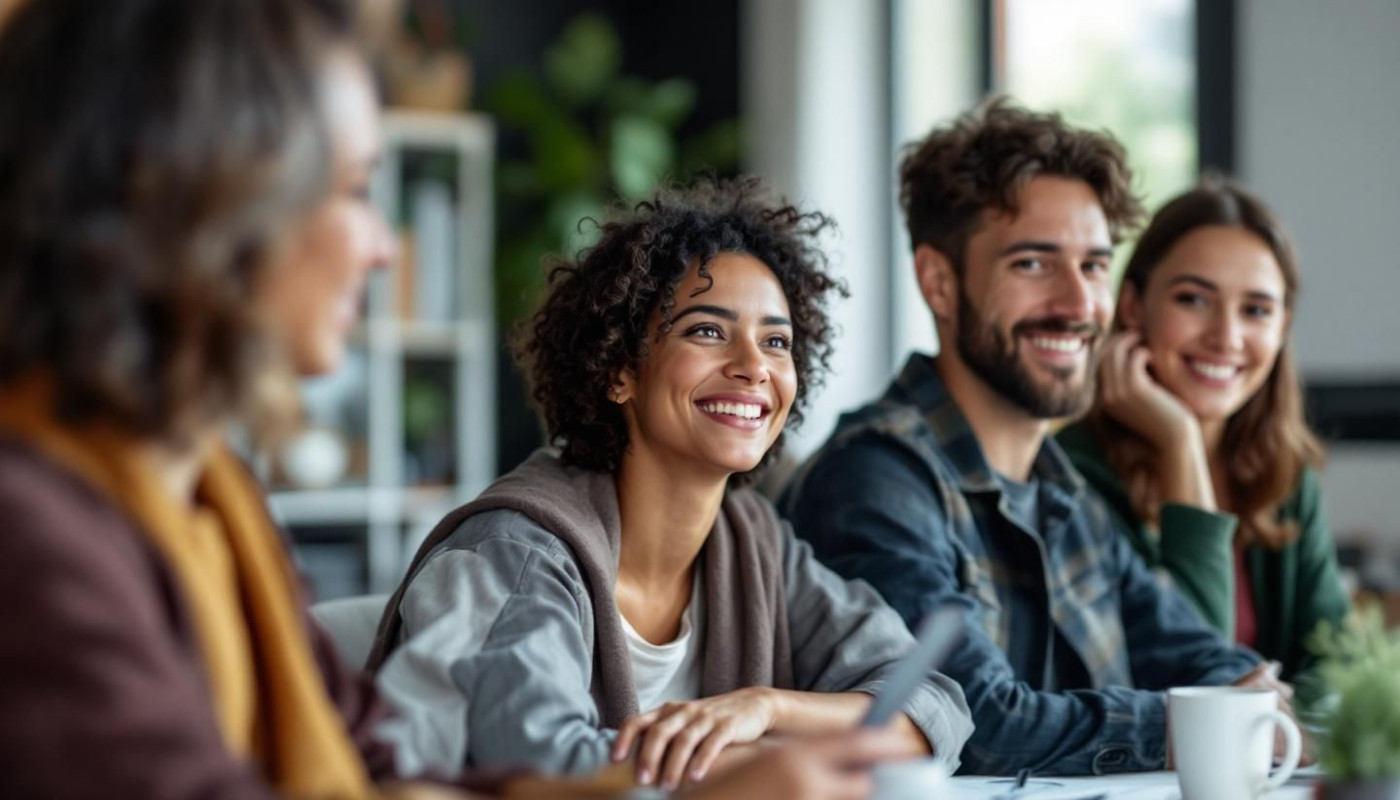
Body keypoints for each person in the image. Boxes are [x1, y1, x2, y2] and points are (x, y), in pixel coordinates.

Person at [0, 1, 913, 798]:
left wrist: (746, 733)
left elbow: (381, 763)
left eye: (778, 339)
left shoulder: (212, 497)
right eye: (356, 192)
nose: (385, 249)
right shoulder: (35, 534)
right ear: (206, 205)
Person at [368, 179, 974, 789]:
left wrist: (766, 708)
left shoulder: (754, 544)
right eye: (707, 331)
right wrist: (769, 771)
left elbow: (935, 708)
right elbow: (535, 766)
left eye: (776, 341)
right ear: (618, 371)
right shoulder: (517, 551)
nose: (754, 366)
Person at [780, 99, 1293, 776]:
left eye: (1093, 266)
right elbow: (978, 724)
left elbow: (1205, 657)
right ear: (939, 281)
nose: (1081, 305)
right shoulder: (875, 480)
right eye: (1033, 264)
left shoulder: (1062, 490)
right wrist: (1204, 721)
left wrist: (1240, 699)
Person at [1056, 178, 1349, 685]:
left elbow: (1340, 664)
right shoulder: (1069, 475)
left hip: (1279, 763)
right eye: (1193, 300)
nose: (1226, 337)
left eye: (1256, 310)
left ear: (1282, 328)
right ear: (1132, 308)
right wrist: (1180, 441)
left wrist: (1291, 726)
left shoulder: (1283, 474)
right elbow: (1193, 676)